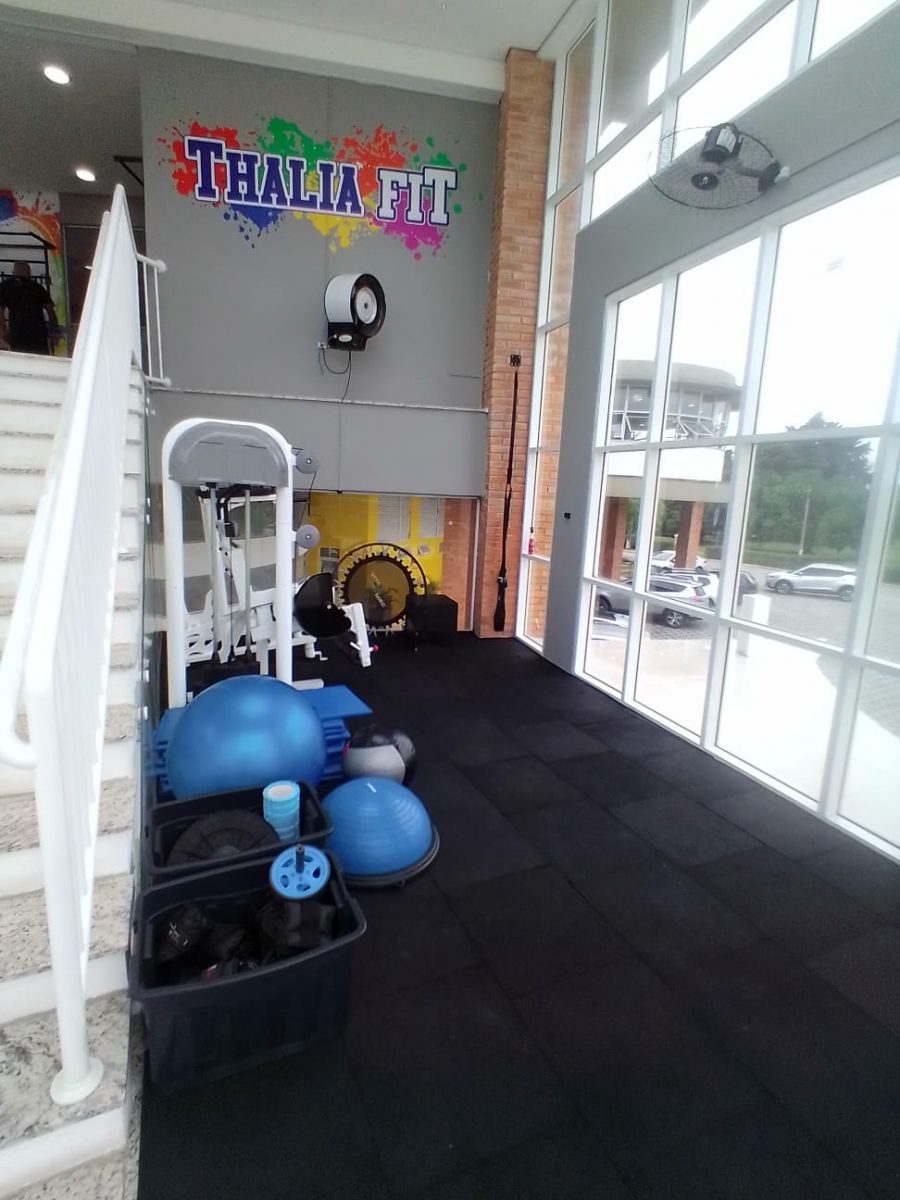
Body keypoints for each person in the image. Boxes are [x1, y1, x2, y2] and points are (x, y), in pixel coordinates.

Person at [0, 262, 58, 355]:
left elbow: (1, 311)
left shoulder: (5, 287)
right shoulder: (37, 287)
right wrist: (55, 331)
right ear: (28, 272)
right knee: (40, 359)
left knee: (20, 359)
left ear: (13, 271)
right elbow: (50, 310)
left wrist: (3, 331)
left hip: (17, 333)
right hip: (38, 334)